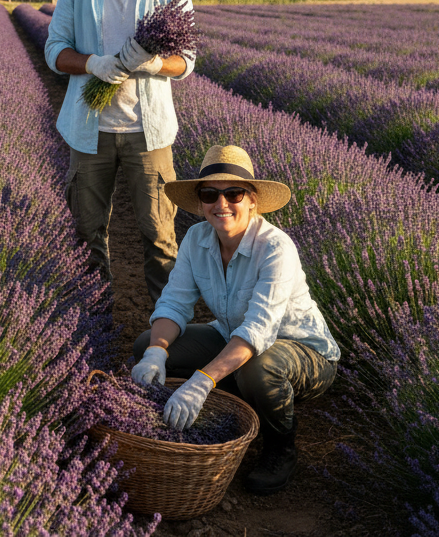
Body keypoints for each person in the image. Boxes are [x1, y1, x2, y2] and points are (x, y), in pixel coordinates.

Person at [130, 145, 340, 495]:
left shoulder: (275, 248)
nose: (221, 203)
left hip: (305, 353)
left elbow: (259, 329)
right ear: (199, 203)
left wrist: (201, 380)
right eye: (210, 194)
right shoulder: (197, 239)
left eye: (234, 193)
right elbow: (174, 303)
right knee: (146, 344)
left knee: (258, 370)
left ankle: (280, 448)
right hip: (232, 338)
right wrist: (155, 352)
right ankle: (231, 400)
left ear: (253, 199)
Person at [44, 0, 196, 303]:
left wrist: (153, 65)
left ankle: (167, 332)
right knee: (86, 232)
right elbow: (54, 51)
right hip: (88, 129)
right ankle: (93, 323)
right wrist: (94, 63)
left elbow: (186, 61)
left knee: (160, 236)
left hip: (149, 132)